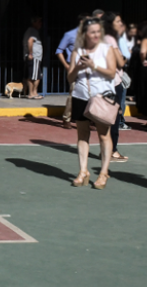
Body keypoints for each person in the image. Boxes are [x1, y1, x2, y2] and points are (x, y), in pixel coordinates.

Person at [68, 17, 121, 190]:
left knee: (103, 135)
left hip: (102, 97)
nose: (96, 35)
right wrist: (78, 68)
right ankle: (83, 171)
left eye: (99, 31)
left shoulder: (107, 49)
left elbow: (112, 73)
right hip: (81, 96)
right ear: (85, 34)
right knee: (82, 134)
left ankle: (104, 172)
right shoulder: (78, 50)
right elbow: (70, 77)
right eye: (93, 32)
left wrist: (93, 65)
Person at [100, 12, 129, 162]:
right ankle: (112, 150)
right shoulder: (111, 39)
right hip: (113, 81)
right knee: (114, 118)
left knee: (106, 119)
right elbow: (121, 62)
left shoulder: (100, 38)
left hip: (103, 82)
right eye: (118, 21)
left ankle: (105, 149)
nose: (120, 24)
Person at [55, 14, 86, 129]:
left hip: (87, 68)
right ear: (82, 21)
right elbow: (59, 51)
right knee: (73, 93)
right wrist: (67, 66)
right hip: (74, 68)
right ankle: (66, 118)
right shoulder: (70, 35)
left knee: (88, 93)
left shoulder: (90, 36)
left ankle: (86, 119)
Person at [22, 15, 44, 99]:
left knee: (31, 75)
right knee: (36, 76)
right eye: (39, 22)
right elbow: (30, 41)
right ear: (34, 22)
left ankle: (31, 93)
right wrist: (31, 53)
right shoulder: (32, 31)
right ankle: (33, 93)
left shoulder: (30, 31)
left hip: (32, 57)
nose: (40, 24)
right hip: (34, 57)